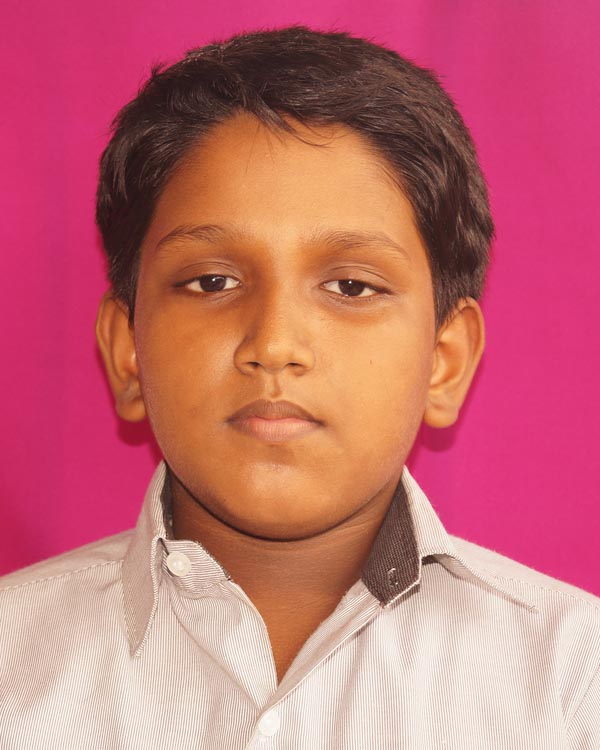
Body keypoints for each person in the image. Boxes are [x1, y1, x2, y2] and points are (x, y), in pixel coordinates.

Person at [1, 25, 598, 749]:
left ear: (443, 362)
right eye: (212, 281)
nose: (275, 344)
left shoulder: (576, 687)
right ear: (128, 352)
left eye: (351, 286)